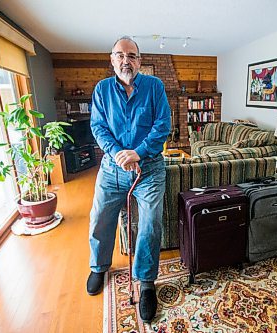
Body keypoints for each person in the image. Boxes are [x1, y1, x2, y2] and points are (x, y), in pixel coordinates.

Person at [87, 36, 171, 323]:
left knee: (150, 222)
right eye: (120, 55)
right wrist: (120, 155)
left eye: (132, 56)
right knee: (100, 215)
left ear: (139, 60)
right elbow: (98, 127)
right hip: (112, 169)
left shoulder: (155, 87)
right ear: (112, 59)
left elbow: (163, 126)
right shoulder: (101, 90)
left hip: (149, 170)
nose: (126, 61)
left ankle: (146, 282)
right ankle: (99, 266)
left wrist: (137, 153)